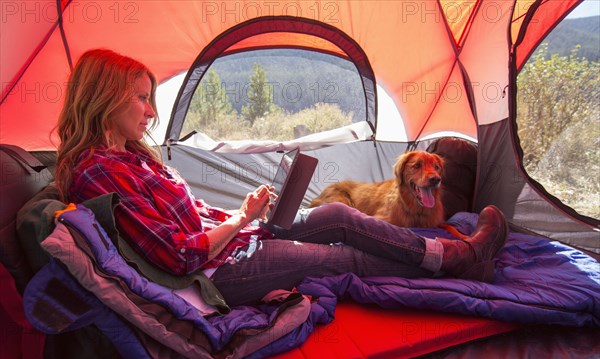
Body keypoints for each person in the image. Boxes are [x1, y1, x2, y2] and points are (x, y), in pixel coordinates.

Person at [55, 49, 508, 307]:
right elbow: (177, 256)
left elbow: (189, 221)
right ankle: (462, 258)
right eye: (140, 99)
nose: (151, 111)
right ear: (103, 98)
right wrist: (240, 222)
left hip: (236, 239)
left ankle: (449, 254)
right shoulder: (99, 173)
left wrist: (243, 215)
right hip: (221, 272)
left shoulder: (132, 157)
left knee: (335, 213)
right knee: (343, 257)